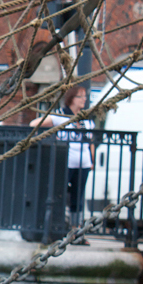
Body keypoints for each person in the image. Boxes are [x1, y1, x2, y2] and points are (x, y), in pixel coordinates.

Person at [30, 85, 96, 233]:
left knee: (78, 197)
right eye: (81, 96)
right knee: (58, 193)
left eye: (85, 96)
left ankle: (76, 229)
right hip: (66, 162)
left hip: (83, 163)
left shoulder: (86, 119)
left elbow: (90, 142)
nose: (84, 100)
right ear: (71, 98)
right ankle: (56, 225)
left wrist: (92, 160)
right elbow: (34, 124)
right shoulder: (61, 116)